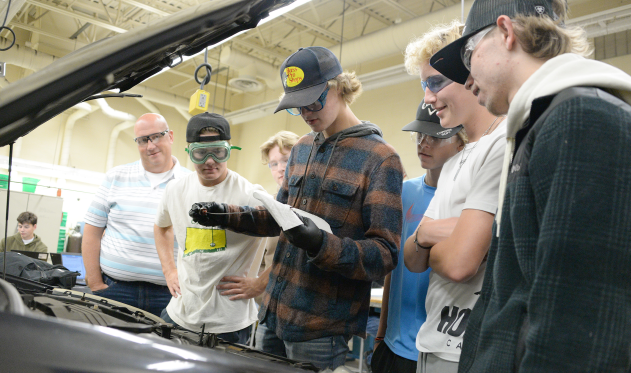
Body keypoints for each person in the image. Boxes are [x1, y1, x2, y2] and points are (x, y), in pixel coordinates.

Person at [429, 0, 631, 371]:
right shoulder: (543, 125)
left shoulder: (586, 119)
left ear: (505, 32)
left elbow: (581, 335)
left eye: (469, 57)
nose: (467, 80)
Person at [189, 46, 403, 370]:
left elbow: (384, 255)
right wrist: (226, 214)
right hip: (272, 315)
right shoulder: (302, 148)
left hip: (320, 330)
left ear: (340, 87)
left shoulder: (380, 159)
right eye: (296, 106)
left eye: (313, 100)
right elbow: (278, 217)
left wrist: (321, 244)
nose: (305, 112)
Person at [402, 21, 506, 373]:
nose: (427, 99)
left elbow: (461, 264)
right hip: (431, 339)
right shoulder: (452, 164)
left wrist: (431, 238)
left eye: (435, 83)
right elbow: (412, 259)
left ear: (469, 73)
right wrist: (434, 234)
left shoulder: (504, 143)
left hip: (469, 348)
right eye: (423, 86)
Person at [154, 112, 266, 343]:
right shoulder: (175, 190)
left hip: (229, 323)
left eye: (218, 151)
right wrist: (169, 271)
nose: (210, 161)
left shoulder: (252, 195)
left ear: (229, 149)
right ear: (189, 153)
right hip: (179, 313)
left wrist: (262, 283)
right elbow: (161, 227)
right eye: (200, 153)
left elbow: (294, 241)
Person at [371, 99, 465, 373]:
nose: (423, 143)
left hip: (434, 350)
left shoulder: (468, 202)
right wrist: (381, 332)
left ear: (461, 143)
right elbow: (393, 264)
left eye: (434, 137)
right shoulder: (403, 192)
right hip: (391, 344)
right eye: (420, 135)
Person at [82, 113, 190, 316]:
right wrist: (95, 282)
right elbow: (92, 232)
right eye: (143, 140)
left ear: (171, 136)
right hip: (115, 290)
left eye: (156, 136)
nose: (150, 146)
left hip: (170, 295)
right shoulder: (116, 177)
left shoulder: (190, 183)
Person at [215, 130, 301, 354]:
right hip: (269, 312)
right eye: (273, 163)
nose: (280, 168)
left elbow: (295, 256)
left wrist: (258, 284)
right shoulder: (272, 205)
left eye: (285, 159)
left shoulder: (310, 204)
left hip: (302, 316)